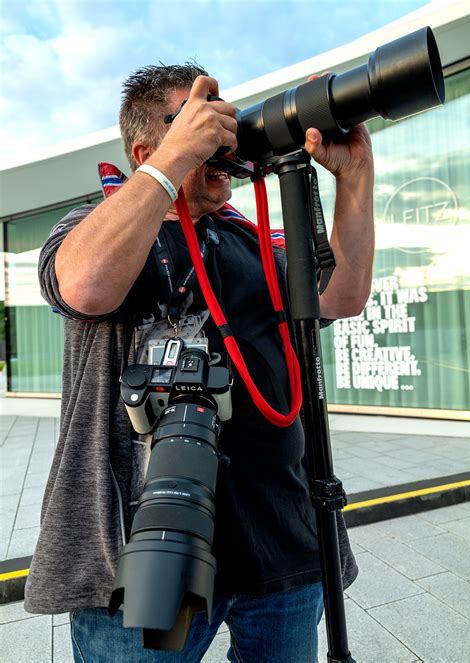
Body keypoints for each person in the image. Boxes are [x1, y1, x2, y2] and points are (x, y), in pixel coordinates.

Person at [25, 63, 374, 662]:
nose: (221, 134)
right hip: (142, 551)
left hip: (281, 539)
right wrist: (175, 159)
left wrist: (356, 177)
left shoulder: (252, 237)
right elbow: (84, 285)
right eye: (193, 118)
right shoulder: (88, 227)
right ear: (145, 148)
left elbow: (341, 296)